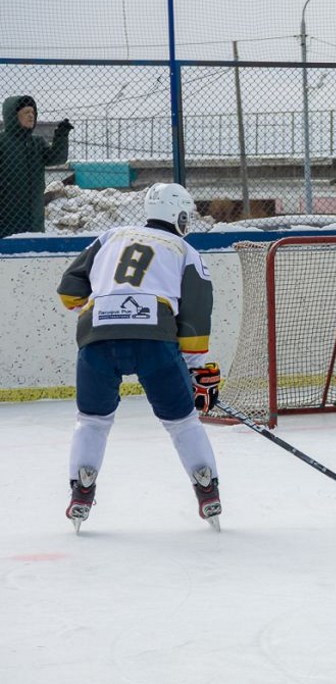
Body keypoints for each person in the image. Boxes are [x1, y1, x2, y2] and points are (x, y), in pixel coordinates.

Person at [56, 183, 222, 532]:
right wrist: (196, 370)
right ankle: (206, 485)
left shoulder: (111, 236)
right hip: (154, 340)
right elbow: (194, 317)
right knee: (183, 422)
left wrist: (100, 308)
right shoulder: (184, 249)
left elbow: (68, 290)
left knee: (92, 421)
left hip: (97, 335)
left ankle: (82, 487)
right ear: (178, 216)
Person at [0, 94, 73, 237]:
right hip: (7, 214)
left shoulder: (37, 142)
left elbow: (57, 158)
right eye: (26, 112)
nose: (31, 116)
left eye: (33, 112)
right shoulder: (2, 142)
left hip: (34, 215)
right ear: (13, 116)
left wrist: (61, 136)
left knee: (34, 247)